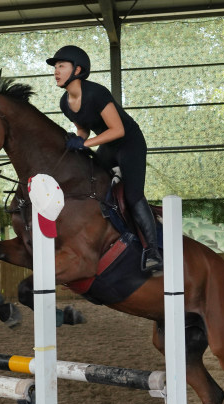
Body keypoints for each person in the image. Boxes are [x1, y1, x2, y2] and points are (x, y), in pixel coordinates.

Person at [46, 45, 163, 274]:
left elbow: (117, 129)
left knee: (133, 195)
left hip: (129, 143)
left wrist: (85, 144)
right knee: (88, 176)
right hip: (108, 145)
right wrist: (77, 140)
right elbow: (83, 130)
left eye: (61, 66)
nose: (56, 71)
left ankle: (153, 252)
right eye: (55, 67)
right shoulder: (65, 102)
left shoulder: (96, 93)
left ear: (77, 69)